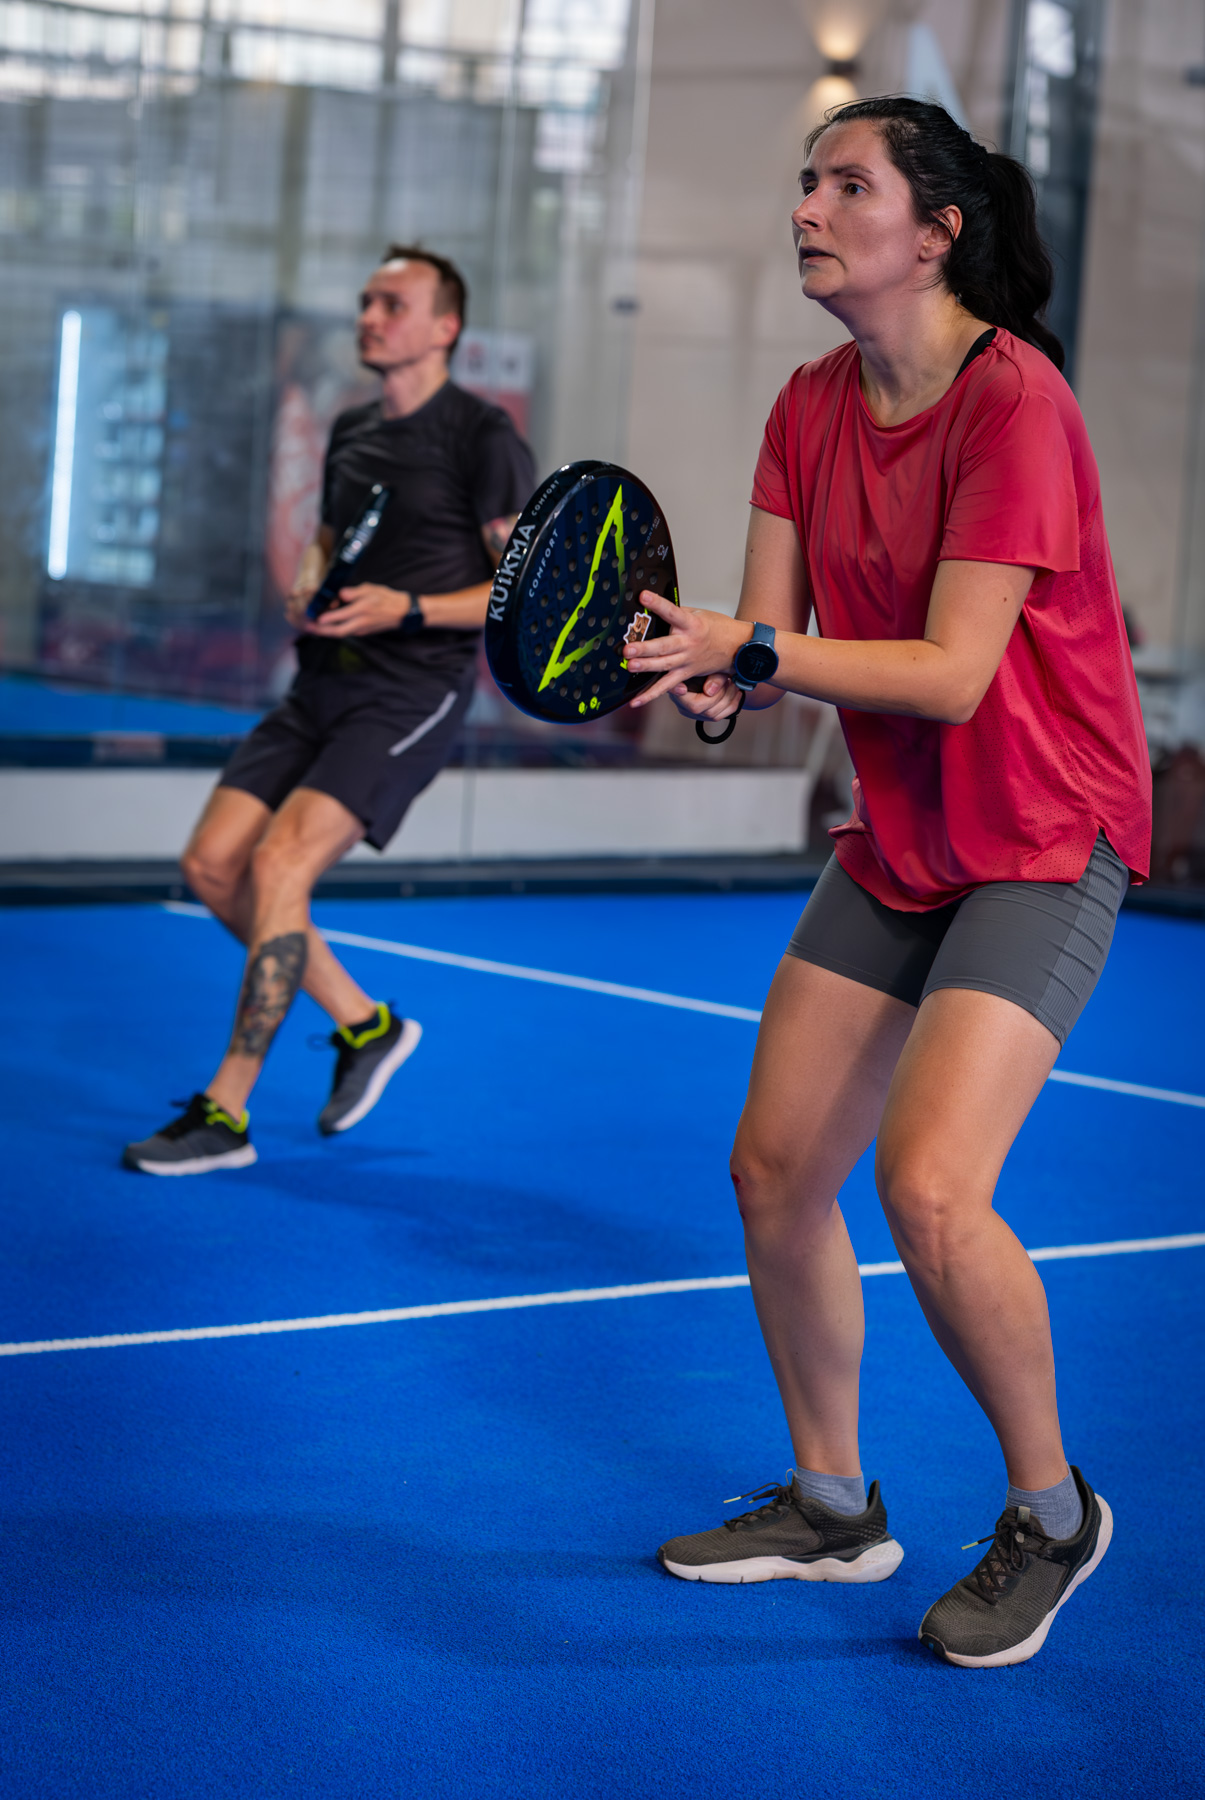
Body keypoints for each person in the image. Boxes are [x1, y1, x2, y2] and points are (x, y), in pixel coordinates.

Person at [622, 98, 1151, 1667]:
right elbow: (773, 637)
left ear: (933, 232)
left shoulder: (1017, 406)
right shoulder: (806, 405)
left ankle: (1052, 1513)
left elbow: (952, 669)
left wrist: (754, 648)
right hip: (904, 842)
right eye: (803, 182)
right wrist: (723, 677)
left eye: (845, 184)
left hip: (1045, 831)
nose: (806, 206)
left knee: (928, 1186)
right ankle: (833, 1503)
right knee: (775, 1174)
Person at [124, 247, 535, 1175]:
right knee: (211, 864)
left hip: (409, 691)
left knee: (278, 865)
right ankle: (365, 1026)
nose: (370, 315)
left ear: (445, 328)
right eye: (364, 301)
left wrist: (411, 608)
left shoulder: (483, 439)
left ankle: (225, 1113)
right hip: (321, 677)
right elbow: (322, 541)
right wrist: (308, 590)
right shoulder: (352, 428)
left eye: (393, 303)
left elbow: (521, 594)